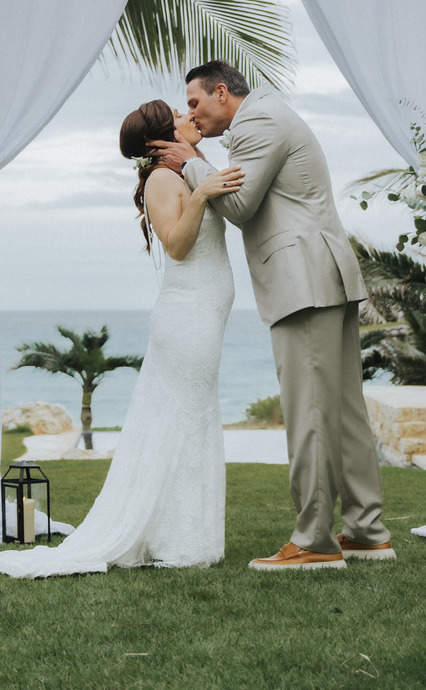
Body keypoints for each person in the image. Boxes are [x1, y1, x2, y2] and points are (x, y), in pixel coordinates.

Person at [0, 100, 242, 578]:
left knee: (192, 416)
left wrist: (206, 181)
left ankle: (181, 532)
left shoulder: (187, 171)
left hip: (202, 311)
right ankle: (179, 538)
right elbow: (176, 244)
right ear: (158, 138)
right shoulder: (162, 180)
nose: (190, 116)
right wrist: (202, 195)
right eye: (179, 114)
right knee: (185, 418)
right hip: (187, 314)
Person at [149, 60, 395, 570]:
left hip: (302, 279)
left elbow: (238, 205)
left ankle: (314, 542)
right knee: (345, 411)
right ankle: (367, 533)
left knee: (309, 412)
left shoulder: (257, 123)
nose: (192, 114)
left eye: (194, 103)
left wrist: (191, 160)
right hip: (322, 273)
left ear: (221, 92)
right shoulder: (268, 115)